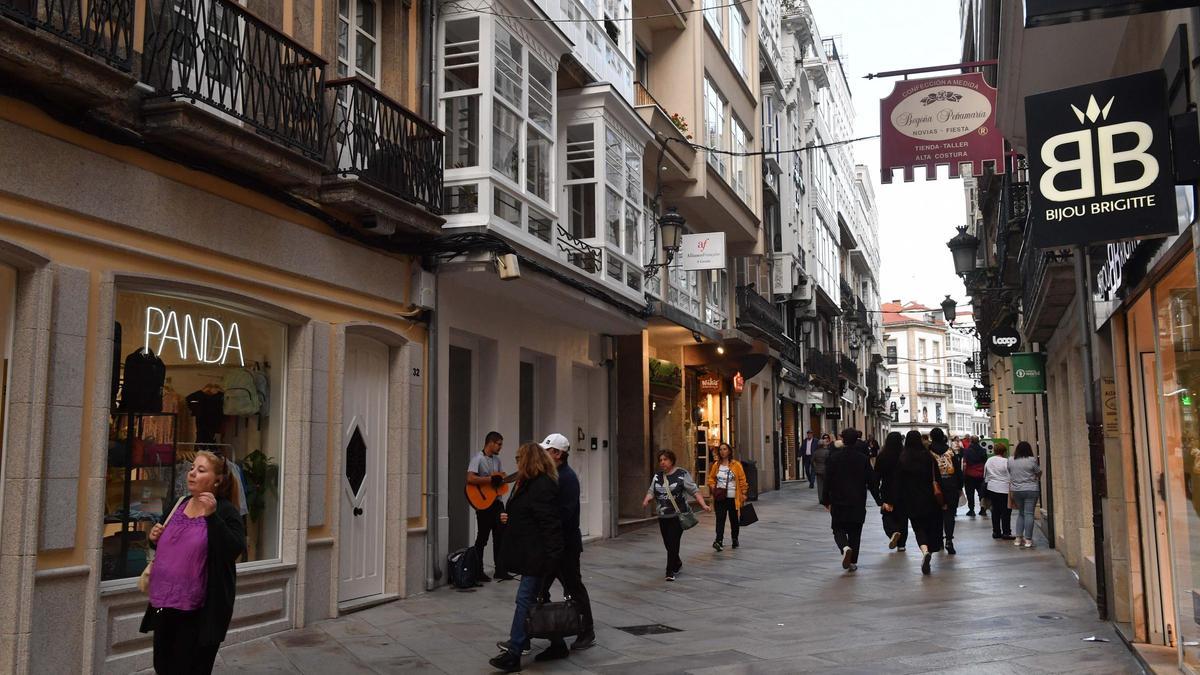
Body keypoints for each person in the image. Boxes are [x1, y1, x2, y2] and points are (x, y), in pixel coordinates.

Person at [140, 451, 246, 674]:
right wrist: (154, 539)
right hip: (165, 604)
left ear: (217, 479)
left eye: (201, 470)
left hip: (199, 611)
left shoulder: (226, 511)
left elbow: (233, 550)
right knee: (163, 665)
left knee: (190, 668)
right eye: (191, 468)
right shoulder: (178, 504)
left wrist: (211, 516)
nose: (192, 474)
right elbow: (166, 548)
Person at [489, 443, 564, 673]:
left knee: (524, 600)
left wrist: (552, 560)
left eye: (519, 457)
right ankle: (558, 643)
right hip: (530, 552)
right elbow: (527, 515)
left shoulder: (541, 486)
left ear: (529, 459)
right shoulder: (529, 483)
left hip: (537, 555)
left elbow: (549, 524)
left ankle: (514, 654)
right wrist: (508, 518)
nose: (516, 462)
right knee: (533, 601)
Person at [530, 433, 595, 659]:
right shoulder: (554, 475)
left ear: (558, 454)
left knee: (573, 587)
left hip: (565, 546)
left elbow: (565, 514)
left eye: (548, 450)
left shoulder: (566, 478)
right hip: (554, 545)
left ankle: (587, 631)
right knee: (538, 590)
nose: (544, 454)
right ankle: (539, 634)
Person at [882, 431, 944, 575]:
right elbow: (937, 478)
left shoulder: (902, 459)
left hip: (910, 500)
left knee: (918, 527)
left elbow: (897, 482)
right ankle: (930, 548)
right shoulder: (929, 457)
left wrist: (891, 500)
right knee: (930, 525)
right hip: (929, 498)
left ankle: (924, 550)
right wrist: (943, 499)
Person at [643, 450, 710, 581]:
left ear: (672, 461)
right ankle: (677, 562)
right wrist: (647, 499)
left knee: (673, 542)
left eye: (665, 459)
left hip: (678, 515)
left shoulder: (682, 474)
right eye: (660, 460)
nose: (662, 462)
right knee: (668, 543)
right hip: (663, 516)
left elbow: (694, 491)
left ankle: (669, 571)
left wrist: (703, 505)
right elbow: (652, 491)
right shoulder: (657, 476)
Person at [820, 428, 880, 572]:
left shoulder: (834, 458)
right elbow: (872, 482)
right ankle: (852, 561)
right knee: (855, 532)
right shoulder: (863, 459)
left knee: (837, 528)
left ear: (843, 440)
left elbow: (827, 480)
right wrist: (879, 500)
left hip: (838, 500)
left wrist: (825, 499)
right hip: (857, 501)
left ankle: (844, 547)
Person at [467, 431, 514, 581]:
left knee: (500, 536)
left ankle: (500, 570)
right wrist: (489, 480)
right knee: (482, 538)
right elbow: (470, 478)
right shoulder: (477, 459)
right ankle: (478, 571)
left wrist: (501, 481)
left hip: (497, 502)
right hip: (484, 504)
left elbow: (498, 480)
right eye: (499, 444)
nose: (500, 447)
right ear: (491, 443)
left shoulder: (497, 460)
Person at [706, 442, 748, 551]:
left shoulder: (736, 465)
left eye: (724, 449)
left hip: (733, 497)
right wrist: (713, 487)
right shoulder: (716, 465)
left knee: (734, 519)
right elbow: (711, 478)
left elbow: (742, 480)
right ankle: (718, 540)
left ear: (729, 451)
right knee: (720, 519)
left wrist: (743, 493)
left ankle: (735, 538)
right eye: (720, 449)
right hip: (720, 497)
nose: (722, 451)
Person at [929, 428, 962, 555]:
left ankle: (938, 541)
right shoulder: (950, 451)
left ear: (931, 437)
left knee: (936, 515)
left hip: (934, 487)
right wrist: (959, 486)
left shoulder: (928, 452)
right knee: (949, 515)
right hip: (951, 486)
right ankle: (949, 540)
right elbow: (958, 470)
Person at [875, 431, 907, 551]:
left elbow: (876, 476)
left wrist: (877, 494)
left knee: (887, 515)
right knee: (903, 517)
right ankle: (902, 544)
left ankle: (893, 532)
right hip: (903, 490)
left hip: (887, 489)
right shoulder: (905, 455)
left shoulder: (882, 456)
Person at [1008, 441, 1042, 549]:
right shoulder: (1032, 460)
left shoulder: (1010, 460)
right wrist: (1037, 477)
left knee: (1021, 513)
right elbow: (1038, 471)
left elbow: (1010, 472)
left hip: (1016, 490)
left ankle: (1018, 538)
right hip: (1031, 489)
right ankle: (1028, 540)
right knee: (1029, 514)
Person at [984, 442, 1014, 540]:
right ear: (1004, 451)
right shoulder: (1006, 461)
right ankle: (1006, 532)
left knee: (995, 510)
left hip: (992, 487)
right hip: (1005, 488)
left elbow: (985, 475)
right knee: (1006, 511)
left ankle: (996, 531)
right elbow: (1010, 475)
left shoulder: (989, 460)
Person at [962, 436, 988, 517]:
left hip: (969, 475)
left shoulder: (966, 451)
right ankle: (983, 509)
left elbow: (965, 463)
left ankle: (971, 510)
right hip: (980, 475)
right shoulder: (983, 450)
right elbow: (985, 462)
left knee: (970, 493)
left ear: (971, 441)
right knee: (982, 493)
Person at [811, 433, 832, 499]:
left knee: (820, 485)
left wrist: (815, 467)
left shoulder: (815, 452)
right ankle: (826, 497)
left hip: (818, 470)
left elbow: (812, 461)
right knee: (826, 485)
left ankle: (820, 498)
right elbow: (829, 461)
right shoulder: (827, 452)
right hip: (825, 470)